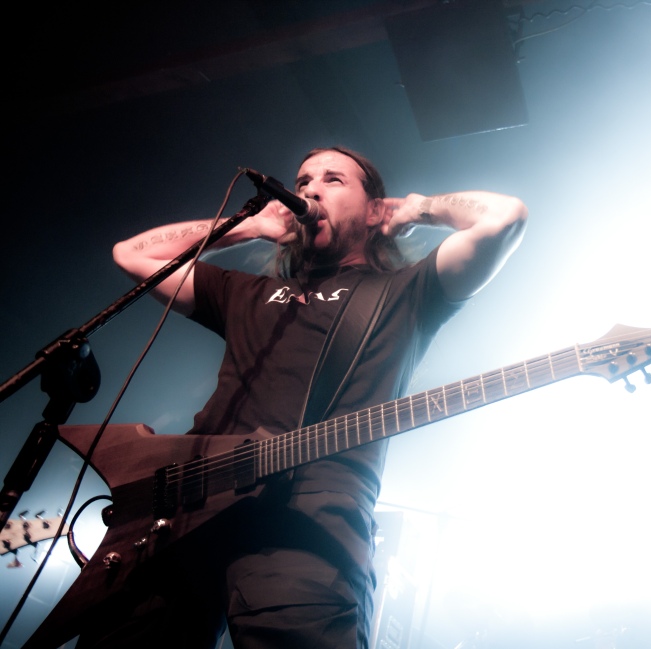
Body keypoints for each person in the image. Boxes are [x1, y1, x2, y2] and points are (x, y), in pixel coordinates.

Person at [81, 146, 527, 649]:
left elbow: (504, 217)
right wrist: (249, 226)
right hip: (184, 510)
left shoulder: (407, 292)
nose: (309, 189)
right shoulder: (245, 292)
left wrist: (416, 208)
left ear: (373, 209)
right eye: (303, 180)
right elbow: (133, 254)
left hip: (309, 520)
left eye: (333, 179)